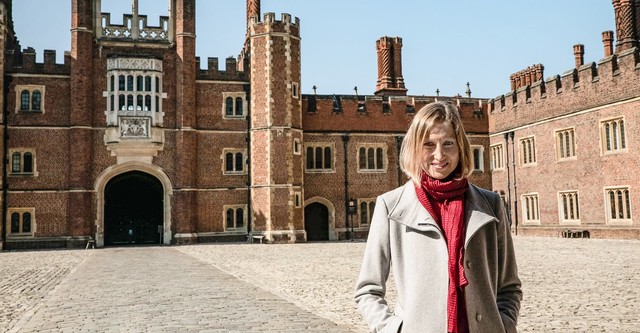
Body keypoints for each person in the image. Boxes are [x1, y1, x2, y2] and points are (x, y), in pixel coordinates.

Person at [354, 102, 522, 333]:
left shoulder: (490, 205)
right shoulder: (390, 206)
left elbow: (509, 286)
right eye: (429, 145)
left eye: (448, 144)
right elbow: (368, 289)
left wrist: (504, 324)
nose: (439, 155)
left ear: (460, 147)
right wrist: (394, 329)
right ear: (415, 148)